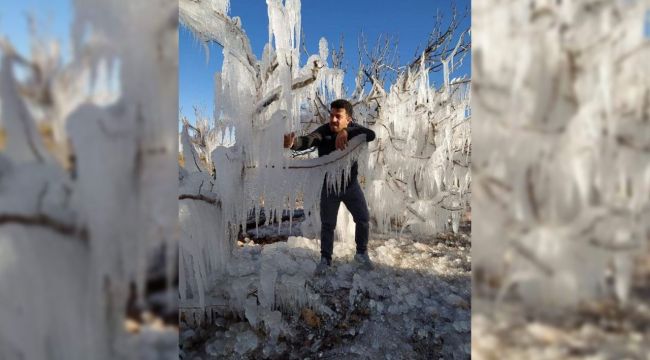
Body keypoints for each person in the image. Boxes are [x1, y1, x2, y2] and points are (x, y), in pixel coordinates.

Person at [283, 99, 376, 275]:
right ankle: (325, 259)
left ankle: (361, 254)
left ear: (348, 119)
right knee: (328, 225)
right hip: (329, 188)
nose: (333, 120)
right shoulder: (324, 131)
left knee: (363, 218)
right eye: (331, 115)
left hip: (350, 186)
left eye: (338, 117)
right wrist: (292, 144)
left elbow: (370, 134)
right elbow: (309, 140)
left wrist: (346, 133)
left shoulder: (355, 130)